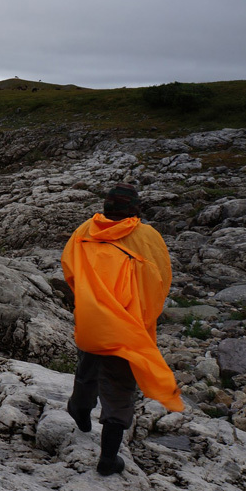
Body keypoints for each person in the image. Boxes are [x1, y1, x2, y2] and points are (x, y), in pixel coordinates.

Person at [61, 182, 184, 475]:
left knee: (87, 366)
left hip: (91, 320)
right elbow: (161, 280)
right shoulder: (147, 236)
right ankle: (108, 458)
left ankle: (80, 409)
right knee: (119, 388)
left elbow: (69, 271)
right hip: (127, 325)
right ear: (135, 209)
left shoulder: (83, 232)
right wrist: (143, 316)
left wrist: (89, 302)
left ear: (106, 207)